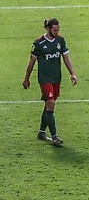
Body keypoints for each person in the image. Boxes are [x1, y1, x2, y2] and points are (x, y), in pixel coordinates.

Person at [22, 18, 78, 147]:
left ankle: (42, 132)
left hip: (56, 78)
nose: (57, 32)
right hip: (45, 79)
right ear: (48, 29)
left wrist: (72, 74)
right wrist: (26, 78)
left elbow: (66, 58)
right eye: (55, 30)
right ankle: (55, 137)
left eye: (58, 29)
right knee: (51, 104)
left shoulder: (60, 40)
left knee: (49, 106)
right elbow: (31, 62)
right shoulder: (39, 43)